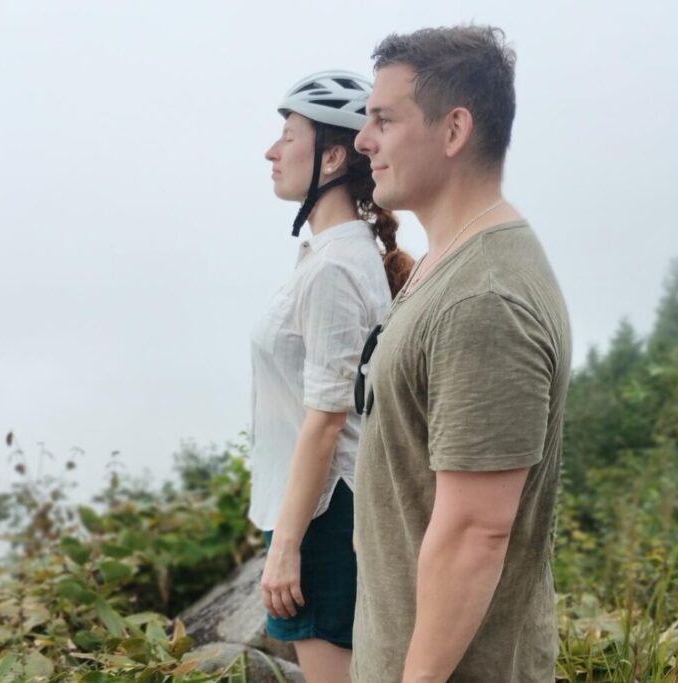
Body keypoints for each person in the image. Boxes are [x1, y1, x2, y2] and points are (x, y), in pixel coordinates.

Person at [351, 27, 572, 682]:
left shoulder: (484, 300)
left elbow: (478, 534)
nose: (364, 141)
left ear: (453, 131)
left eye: (383, 120)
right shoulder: (445, 268)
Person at [249, 70, 413, 682]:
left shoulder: (336, 268)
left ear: (334, 155)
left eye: (288, 134)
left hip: (325, 514)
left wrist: (287, 547)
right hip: (322, 508)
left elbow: (326, 420)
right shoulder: (334, 257)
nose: (272, 151)